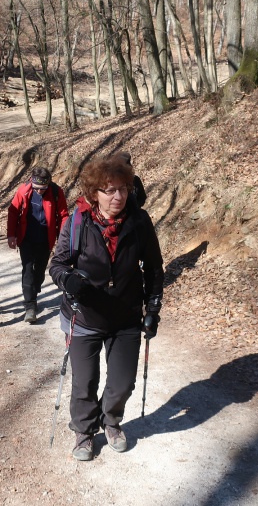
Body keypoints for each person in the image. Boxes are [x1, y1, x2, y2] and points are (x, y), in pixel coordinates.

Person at [49, 154, 163, 461]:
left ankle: (111, 421)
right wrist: (68, 281)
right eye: (109, 190)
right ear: (93, 193)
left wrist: (153, 308)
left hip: (126, 316)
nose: (118, 196)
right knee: (84, 382)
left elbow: (154, 268)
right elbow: (57, 264)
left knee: (123, 383)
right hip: (84, 317)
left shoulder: (139, 222)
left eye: (123, 189)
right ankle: (84, 431)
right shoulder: (78, 221)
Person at [6, 167, 68, 323]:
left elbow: (63, 215)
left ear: (48, 184)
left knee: (39, 272)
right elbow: (13, 212)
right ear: (32, 182)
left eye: (43, 188)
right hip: (26, 238)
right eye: (36, 188)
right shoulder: (23, 191)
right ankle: (30, 306)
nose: (39, 191)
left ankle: (34, 290)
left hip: (46, 239)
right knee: (28, 270)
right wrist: (11, 235)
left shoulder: (56, 192)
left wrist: (63, 238)